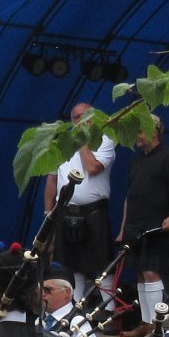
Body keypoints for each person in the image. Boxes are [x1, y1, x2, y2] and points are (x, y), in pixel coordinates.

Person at [116, 114, 169, 330]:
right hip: (134, 226)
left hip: (156, 225)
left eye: (139, 130)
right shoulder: (136, 161)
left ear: (154, 130)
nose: (136, 136)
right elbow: (130, 196)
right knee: (139, 272)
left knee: (151, 271)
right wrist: (122, 229)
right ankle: (145, 322)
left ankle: (157, 325)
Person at [46, 103, 117, 301]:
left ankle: (107, 313)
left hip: (93, 211)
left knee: (102, 265)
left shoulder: (105, 139)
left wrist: (82, 142)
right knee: (70, 265)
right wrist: (48, 213)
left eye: (83, 117)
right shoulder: (62, 143)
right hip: (65, 212)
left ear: (93, 118)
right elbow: (52, 179)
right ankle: (73, 312)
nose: (78, 121)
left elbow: (94, 167)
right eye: (75, 117)